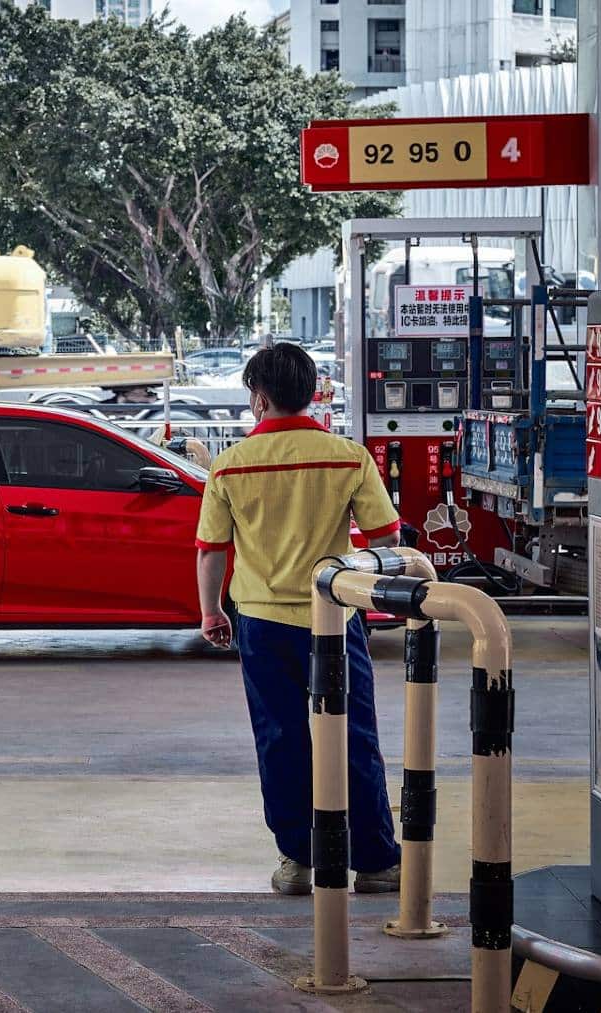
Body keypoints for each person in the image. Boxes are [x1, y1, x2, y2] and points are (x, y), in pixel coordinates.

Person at [194, 342, 404, 896]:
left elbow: (211, 549)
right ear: (310, 394)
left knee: (281, 737)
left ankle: (297, 860)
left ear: (259, 399)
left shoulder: (230, 465)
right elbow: (388, 539)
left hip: (262, 624)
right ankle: (378, 862)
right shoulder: (347, 456)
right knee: (355, 734)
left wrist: (211, 610)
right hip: (335, 617)